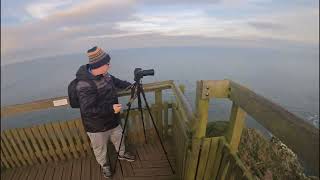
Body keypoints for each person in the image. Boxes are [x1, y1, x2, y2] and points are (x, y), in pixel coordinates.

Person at [75, 46, 135, 178]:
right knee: (100, 148)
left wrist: (129, 85)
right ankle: (104, 165)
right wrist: (111, 109)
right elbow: (88, 110)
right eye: (107, 63)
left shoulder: (105, 74)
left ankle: (122, 153)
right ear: (99, 65)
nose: (109, 65)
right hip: (96, 126)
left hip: (112, 120)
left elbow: (115, 81)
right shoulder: (84, 85)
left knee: (119, 137)